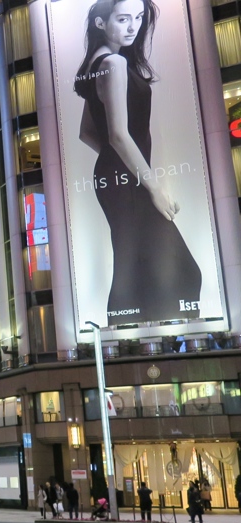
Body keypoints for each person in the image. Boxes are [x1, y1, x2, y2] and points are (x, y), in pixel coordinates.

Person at [74, 0, 201, 324]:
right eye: (123, 18)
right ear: (101, 22)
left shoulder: (98, 63)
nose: (133, 26)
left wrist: (116, 164)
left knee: (133, 264)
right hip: (128, 179)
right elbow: (117, 135)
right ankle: (138, 342)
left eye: (139, 18)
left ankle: (126, 339)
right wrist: (154, 186)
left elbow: (88, 132)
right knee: (177, 270)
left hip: (119, 175)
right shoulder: (113, 63)